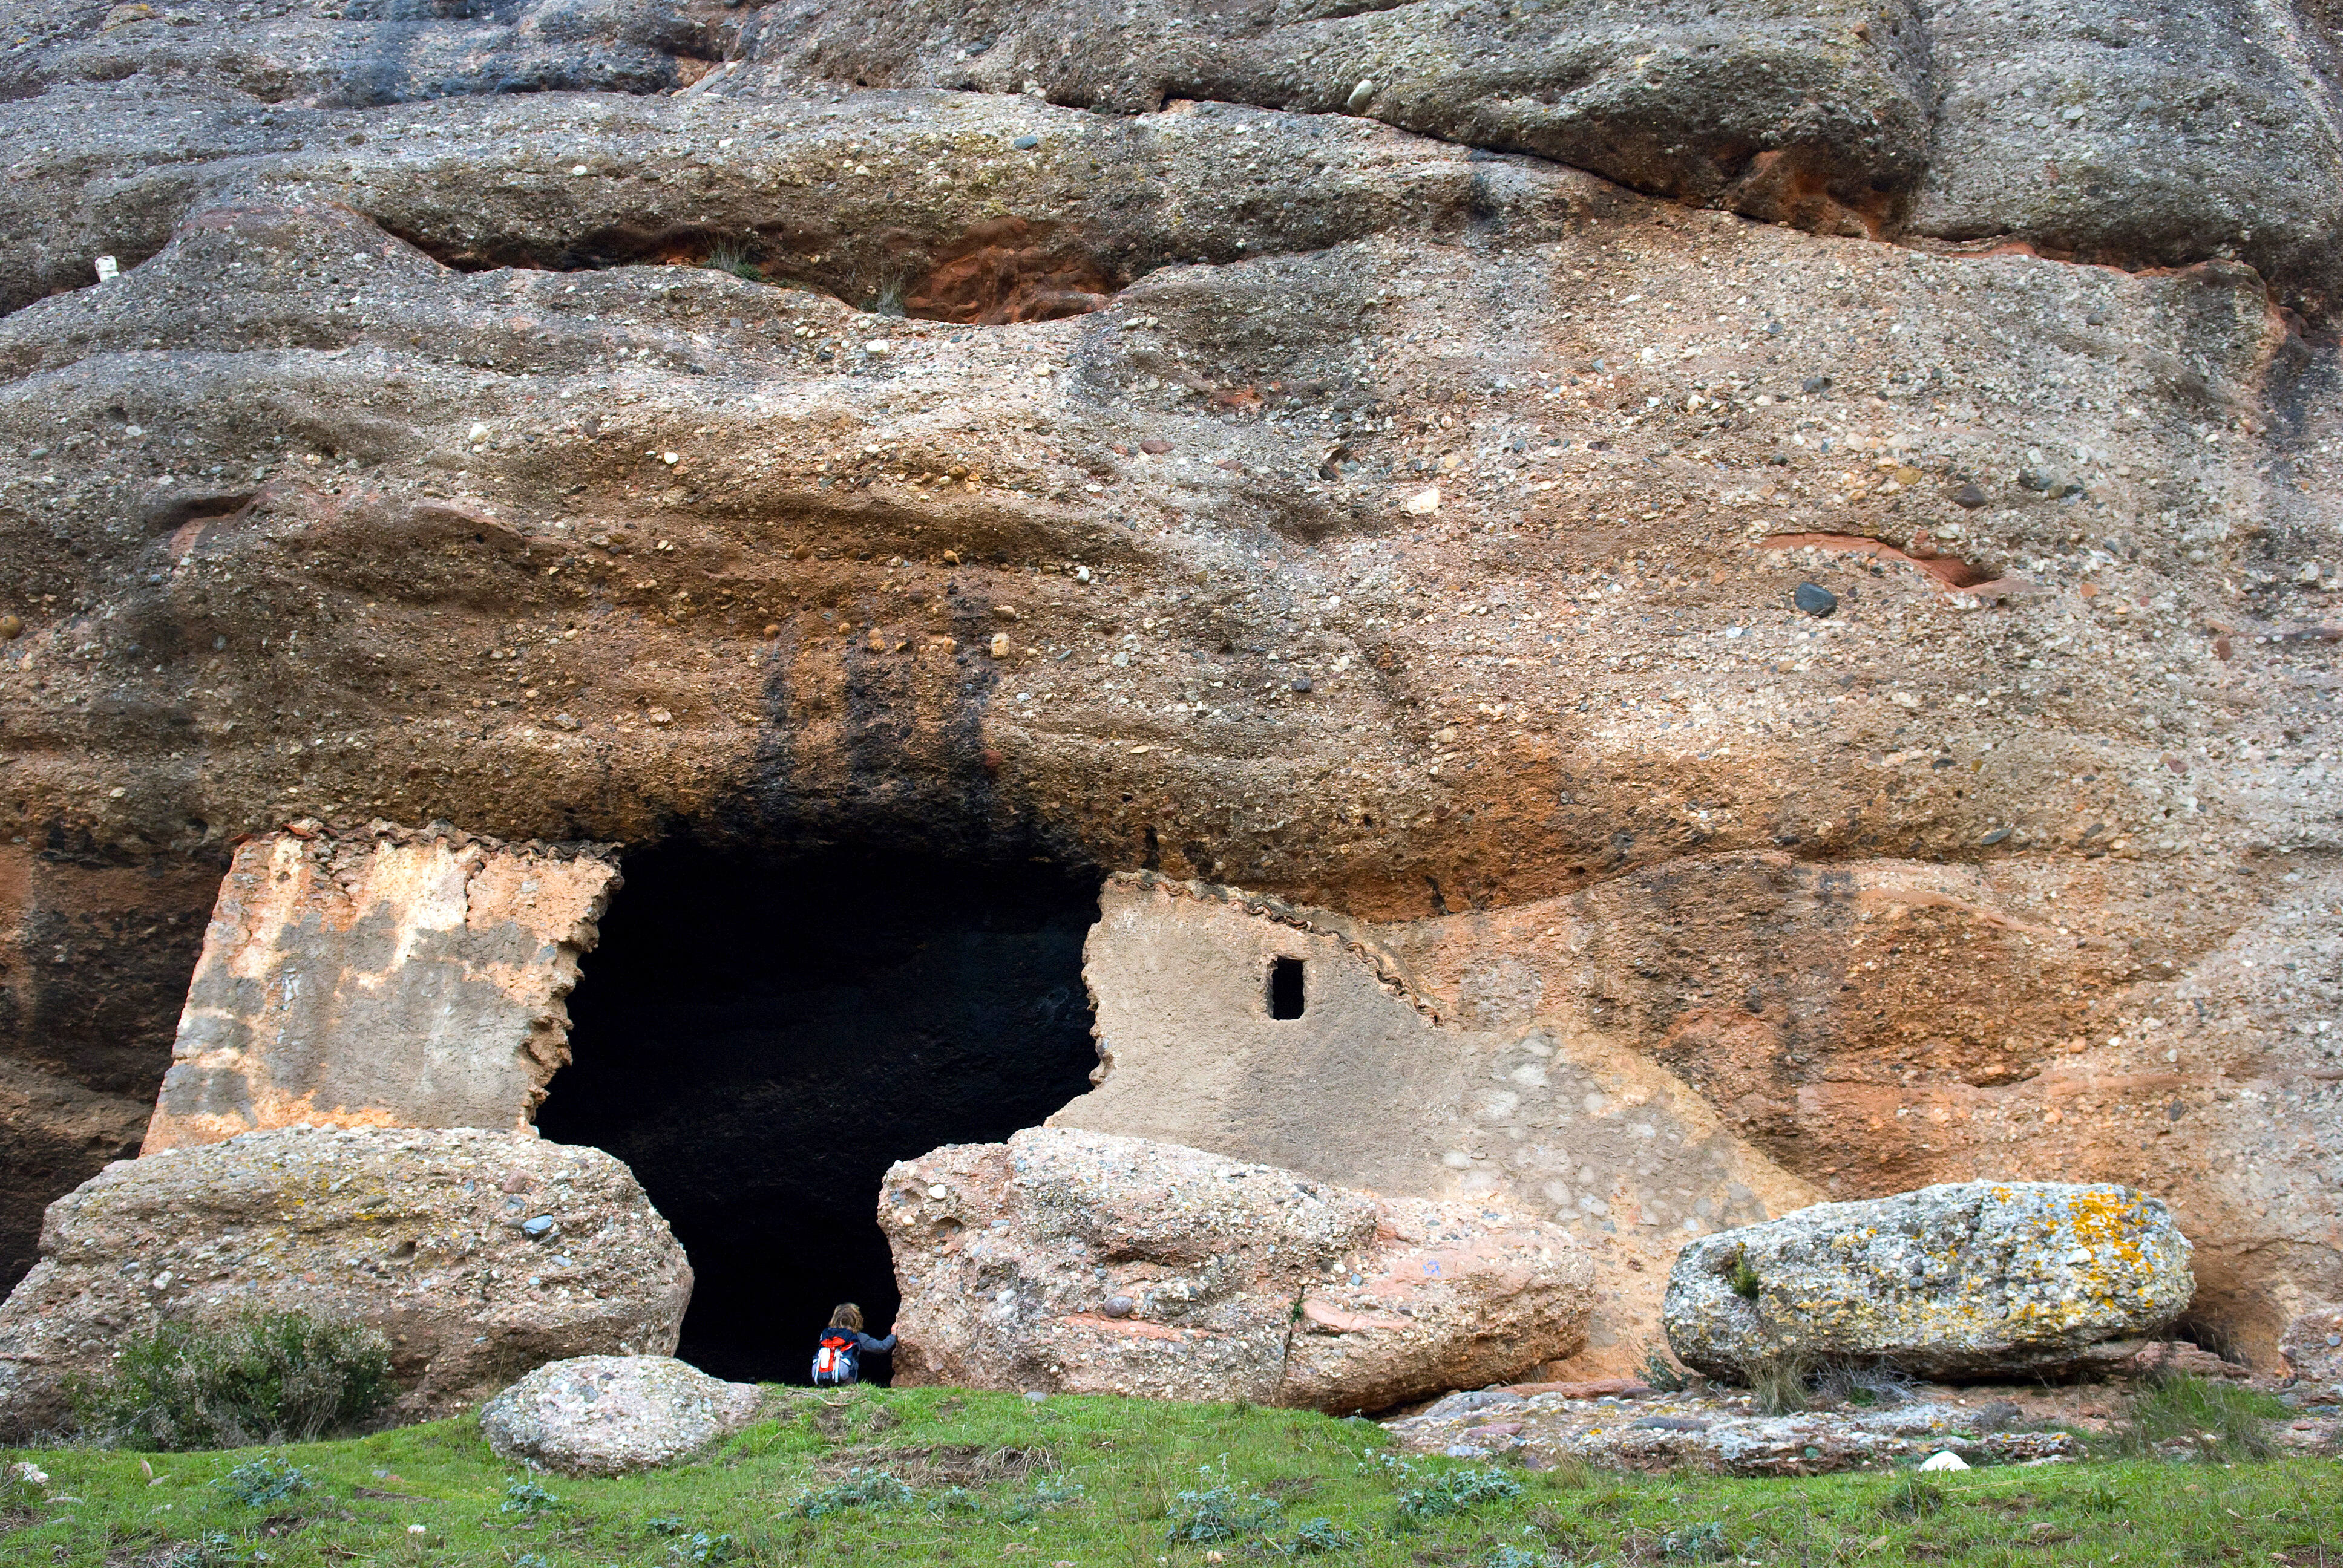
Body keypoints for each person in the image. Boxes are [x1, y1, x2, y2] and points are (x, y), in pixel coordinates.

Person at [811, 1303, 896, 1387]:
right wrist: (893, 1335)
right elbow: (882, 1347)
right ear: (857, 1319)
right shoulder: (856, 1336)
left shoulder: (826, 1335)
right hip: (846, 1384)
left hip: (823, 1382)